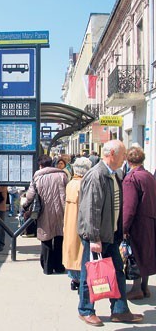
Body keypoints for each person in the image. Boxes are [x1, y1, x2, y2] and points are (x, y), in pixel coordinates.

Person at [77, 140, 143, 327]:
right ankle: (86, 310)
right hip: (96, 235)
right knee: (90, 274)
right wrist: (94, 238)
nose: (125, 158)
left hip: (111, 234)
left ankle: (120, 310)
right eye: (122, 154)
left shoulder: (115, 174)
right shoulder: (96, 175)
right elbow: (91, 209)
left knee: (117, 273)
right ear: (112, 153)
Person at [22, 154, 68, 275]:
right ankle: (59, 266)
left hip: (44, 212)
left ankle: (47, 268)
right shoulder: (62, 175)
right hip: (61, 211)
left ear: (40, 165)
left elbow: (30, 195)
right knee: (59, 238)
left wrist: (25, 205)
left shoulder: (37, 177)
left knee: (46, 238)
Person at [122, 146, 156, 300]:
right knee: (146, 252)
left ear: (128, 161)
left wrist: (124, 226)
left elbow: (129, 206)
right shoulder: (148, 175)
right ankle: (144, 287)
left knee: (135, 253)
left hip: (138, 222)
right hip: (150, 219)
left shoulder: (131, 178)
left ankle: (136, 289)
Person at [62, 157, 92, 291]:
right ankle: (80, 279)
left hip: (69, 222)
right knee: (80, 252)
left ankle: (74, 279)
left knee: (71, 250)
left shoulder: (70, 183)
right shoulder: (84, 184)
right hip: (80, 222)